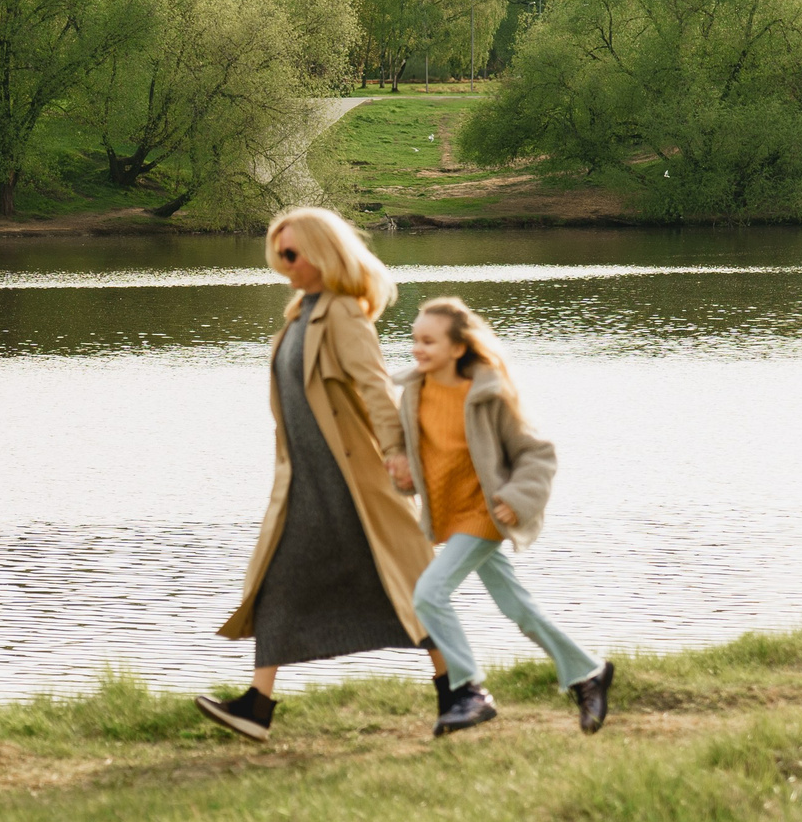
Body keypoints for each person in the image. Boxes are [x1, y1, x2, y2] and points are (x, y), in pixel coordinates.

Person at [198, 207, 444, 741]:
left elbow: (378, 391)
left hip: (350, 480)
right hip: (304, 480)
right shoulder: (300, 313)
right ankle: (257, 708)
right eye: (275, 253)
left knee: (405, 583)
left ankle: (461, 691)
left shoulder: (342, 315)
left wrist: (399, 453)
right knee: (280, 585)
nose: (280, 263)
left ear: (323, 252)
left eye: (290, 253)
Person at [398, 296, 615, 736]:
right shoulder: (412, 390)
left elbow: (538, 454)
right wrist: (402, 467)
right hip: (450, 513)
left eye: (429, 341)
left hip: (484, 514)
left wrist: (518, 497)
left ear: (458, 348)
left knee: (428, 593)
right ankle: (588, 674)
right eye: (415, 339)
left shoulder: (488, 393)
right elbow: (417, 447)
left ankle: (469, 690)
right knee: (519, 607)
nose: (418, 349)